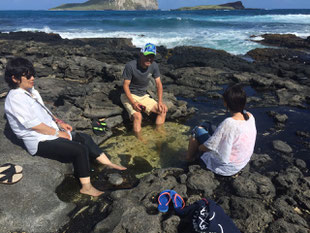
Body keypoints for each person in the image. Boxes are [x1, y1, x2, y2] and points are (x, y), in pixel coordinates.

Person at [4, 57, 126, 197]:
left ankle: (108, 163)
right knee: (79, 150)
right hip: (38, 141)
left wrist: (59, 122)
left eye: (33, 74)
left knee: (84, 137)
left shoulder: (31, 91)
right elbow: (34, 125)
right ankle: (86, 187)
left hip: (49, 133)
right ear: (15, 78)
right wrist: (58, 133)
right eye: (28, 75)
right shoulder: (15, 98)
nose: (32, 78)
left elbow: (43, 111)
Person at [186, 84, 257, 176]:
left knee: (196, 130)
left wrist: (199, 148)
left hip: (226, 167)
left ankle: (189, 158)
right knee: (207, 125)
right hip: (241, 161)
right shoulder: (250, 116)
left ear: (225, 103)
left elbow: (209, 146)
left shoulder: (229, 123)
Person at [120, 43, 168, 139]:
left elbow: (158, 83)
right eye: (147, 56)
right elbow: (125, 86)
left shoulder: (154, 66)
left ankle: (158, 132)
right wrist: (133, 103)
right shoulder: (130, 66)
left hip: (143, 96)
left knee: (162, 110)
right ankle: (140, 140)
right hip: (129, 95)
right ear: (141, 55)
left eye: (151, 56)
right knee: (138, 116)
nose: (149, 59)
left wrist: (160, 102)